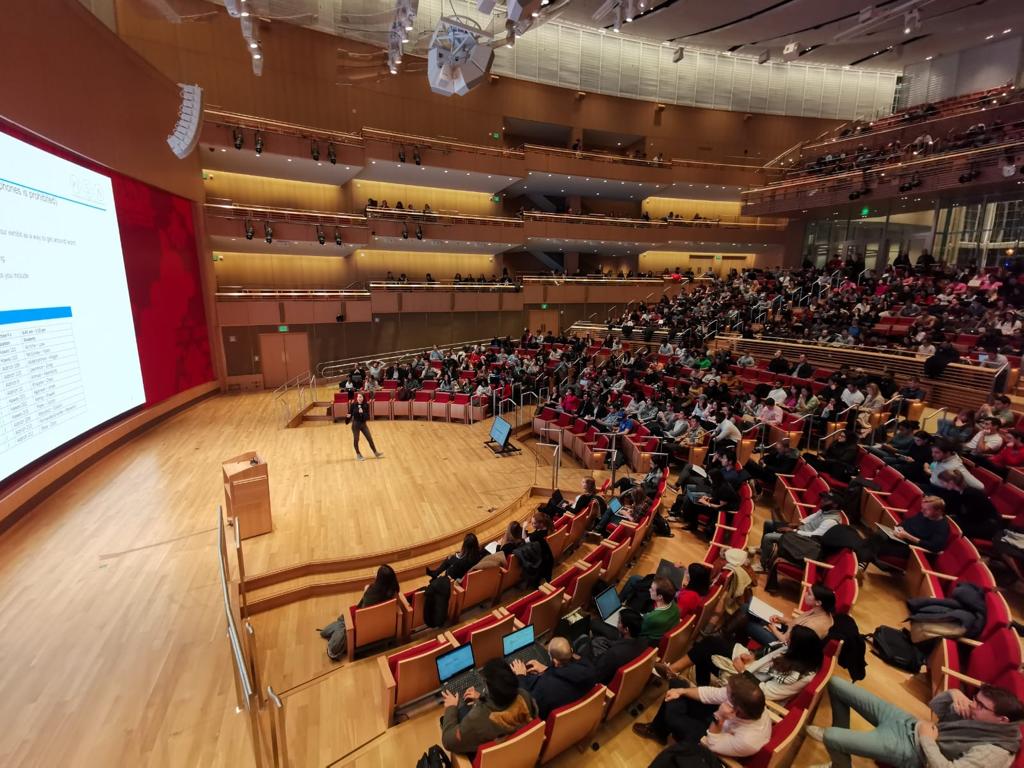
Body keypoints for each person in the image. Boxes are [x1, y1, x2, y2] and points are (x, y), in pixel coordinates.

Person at [805, 680, 1024, 768]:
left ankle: (840, 764)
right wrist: (952, 694)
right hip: (909, 724)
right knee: (836, 684)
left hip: (913, 750)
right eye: (975, 700)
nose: (973, 705)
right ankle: (844, 745)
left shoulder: (994, 752)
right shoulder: (983, 720)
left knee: (832, 737)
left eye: (981, 705)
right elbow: (935, 709)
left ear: (1002, 720)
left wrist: (927, 740)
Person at [632, 671, 772, 757]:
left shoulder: (748, 740)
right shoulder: (750, 702)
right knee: (676, 684)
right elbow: (711, 694)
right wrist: (682, 691)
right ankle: (659, 731)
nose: (725, 691)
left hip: (710, 740)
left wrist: (720, 717)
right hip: (722, 721)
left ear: (737, 710)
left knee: (672, 715)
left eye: (728, 694)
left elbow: (712, 744)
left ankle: (660, 729)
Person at [441, 658, 539, 756]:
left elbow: (448, 741)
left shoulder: (477, 718)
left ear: (488, 687)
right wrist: (481, 698)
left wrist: (451, 707)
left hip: (495, 758)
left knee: (460, 712)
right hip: (520, 752)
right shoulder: (524, 695)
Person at [511, 636, 597, 718]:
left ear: (555, 661)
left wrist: (520, 676)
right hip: (579, 715)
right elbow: (566, 673)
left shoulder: (545, 688)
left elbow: (528, 703)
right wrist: (547, 669)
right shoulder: (589, 669)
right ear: (571, 651)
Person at [754, 494, 843, 574]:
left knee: (768, 537)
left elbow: (815, 535)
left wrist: (793, 531)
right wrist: (797, 525)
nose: (822, 500)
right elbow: (810, 519)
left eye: (826, 499)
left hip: (805, 540)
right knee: (768, 524)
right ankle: (764, 549)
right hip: (799, 531)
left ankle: (763, 566)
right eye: (823, 498)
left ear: (835, 505)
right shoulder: (825, 510)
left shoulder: (831, 521)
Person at [858, 496, 949, 572]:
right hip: (901, 539)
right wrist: (899, 528)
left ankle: (860, 560)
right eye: (922, 508)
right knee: (877, 535)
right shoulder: (924, 514)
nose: (922, 511)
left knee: (878, 543)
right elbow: (908, 522)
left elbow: (934, 547)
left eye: (926, 509)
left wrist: (907, 536)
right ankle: (859, 559)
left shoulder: (942, 527)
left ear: (938, 511)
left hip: (912, 550)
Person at [588, 607, 648, 685]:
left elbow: (598, 675)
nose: (617, 624)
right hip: (626, 675)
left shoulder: (614, 654)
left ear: (626, 629)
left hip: (603, 679)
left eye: (619, 622)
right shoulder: (644, 642)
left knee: (585, 641)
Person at [348, 392, 383, 461]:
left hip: (363, 424)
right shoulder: (353, 405)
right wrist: (347, 418)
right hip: (355, 424)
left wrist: (362, 413)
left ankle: (375, 452)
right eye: (358, 397)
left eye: (361, 397)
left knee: (369, 438)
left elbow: (367, 417)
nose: (359, 398)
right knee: (356, 439)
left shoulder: (366, 405)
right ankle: (358, 455)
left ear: (363, 398)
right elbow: (350, 414)